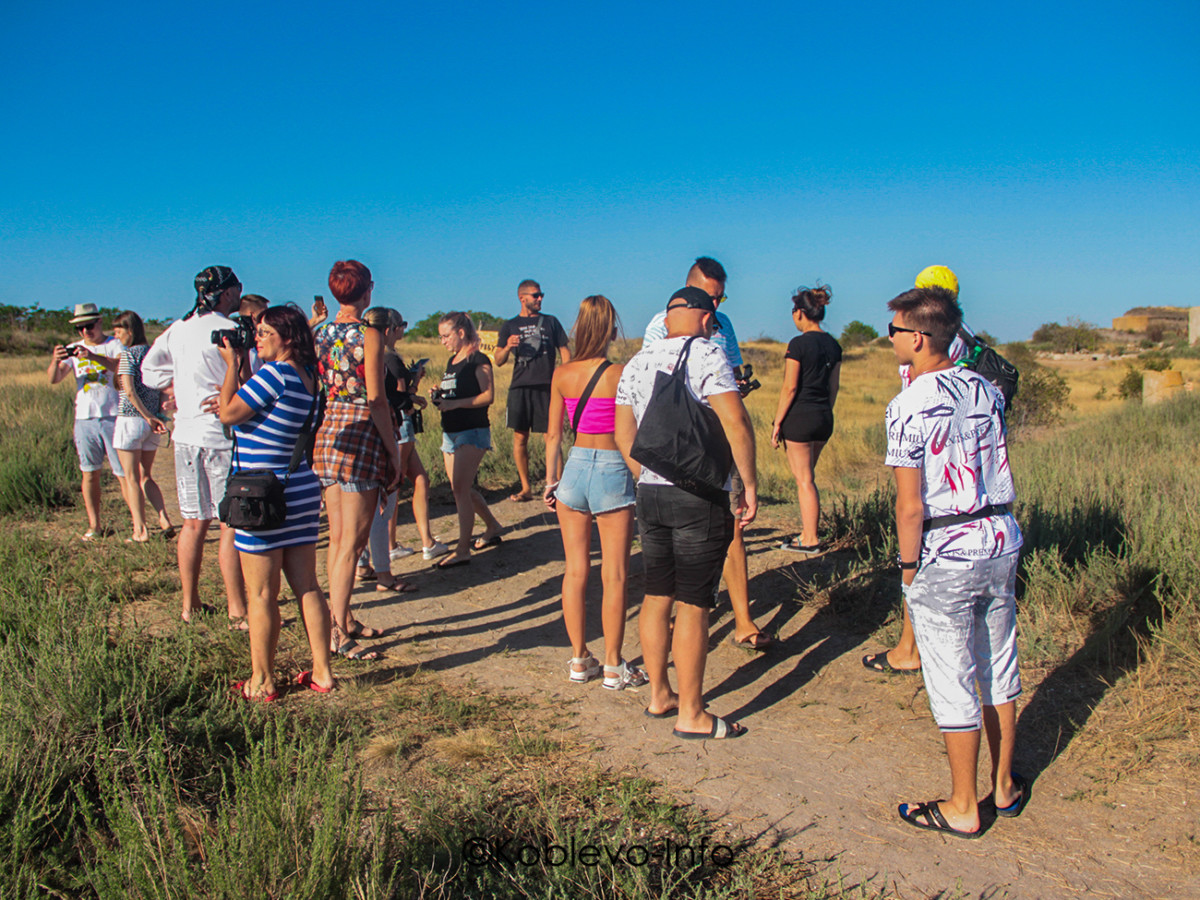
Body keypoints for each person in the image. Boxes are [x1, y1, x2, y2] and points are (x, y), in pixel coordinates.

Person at [884, 286, 1026, 837]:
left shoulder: (908, 404)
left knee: (952, 677)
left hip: (946, 546)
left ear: (917, 339)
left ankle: (964, 805)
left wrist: (907, 566)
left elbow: (909, 502)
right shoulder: (988, 391)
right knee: (998, 664)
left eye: (894, 330)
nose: (890, 339)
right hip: (999, 536)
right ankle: (1005, 786)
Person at [615, 287, 758, 739]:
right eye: (713, 320)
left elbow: (624, 433)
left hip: (651, 494)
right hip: (700, 495)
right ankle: (692, 713)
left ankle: (660, 694)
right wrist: (746, 483)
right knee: (695, 604)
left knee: (657, 594)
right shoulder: (708, 354)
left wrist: (647, 475)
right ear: (703, 316)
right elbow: (735, 421)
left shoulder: (636, 362)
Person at [642, 257, 772, 650]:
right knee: (679, 540)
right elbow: (655, 383)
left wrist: (738, 387)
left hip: (719, 440)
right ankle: (678, 620)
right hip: (678, 447)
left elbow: (729, 373)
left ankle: (744, 622)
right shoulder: (657, 326)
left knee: (733, 527)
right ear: (690, 289)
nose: (717, 308)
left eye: (721, 298)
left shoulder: (724, 325)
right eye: (710, 299)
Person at [218, 304, 334, 699]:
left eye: (266, 333)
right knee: (308, 587)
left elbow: (228, 412)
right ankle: (322, 671)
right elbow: (265, 415)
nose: (259, 339)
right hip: (299, 487)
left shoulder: (275, 373)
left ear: (287, 338)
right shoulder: (307, 377)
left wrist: (232, 365)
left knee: (262, 594)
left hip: (261, 495)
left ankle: (262, 680)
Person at [865, 264, 975, 674]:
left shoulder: (929, 347)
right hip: (964, 466)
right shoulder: (960, 338)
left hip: (929, 455)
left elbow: (918, 399)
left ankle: (911, 647)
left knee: (920, 552)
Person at [543, 296, 646, 690]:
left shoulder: (562, 374)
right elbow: (632, 428)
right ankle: (614, 665)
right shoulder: (621, 372)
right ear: (611, 331)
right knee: (615, 573)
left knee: (575, 570)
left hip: (573, 468)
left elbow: (554, 434)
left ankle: (578, 658)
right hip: (612, 466)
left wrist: (551, 481)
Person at [141, 267, 249, 625]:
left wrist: (178, 387)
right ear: (225, 293)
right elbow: (249, 376)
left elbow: (149, 372)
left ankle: (190, 605)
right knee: (229, 526)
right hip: (221, 435)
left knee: (193, 524)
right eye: (235, 288)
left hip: (186, 435)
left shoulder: (178, 329)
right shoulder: (231, 331)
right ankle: (236, 608)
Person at [313, 260, 402, 660]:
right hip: (362, 430)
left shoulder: (320, 332)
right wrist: (394, 449)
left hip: (328, 429)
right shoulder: (368, 334)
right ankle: (336, 630)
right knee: (353, 540)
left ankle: (343, 617)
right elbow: (376, 397)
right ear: (367, 291)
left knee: (337, 538)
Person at [355, 307, 433, 590]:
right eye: (399, 327)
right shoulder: (386, 358)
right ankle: (384, 570)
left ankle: (363, 564)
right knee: (382, 503)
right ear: (387, 329)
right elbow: (390, 397)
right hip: (389, 430)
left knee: (362, 506)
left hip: (358, 434)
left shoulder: (353, 355)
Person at [771, 285, 842, 554]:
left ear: (801, 313)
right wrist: (825, 411)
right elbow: (833, 388)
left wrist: (778, 422)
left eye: (793, 311)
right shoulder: (834, 345)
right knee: (807, 477)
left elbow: (790, 388)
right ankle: (806, 531)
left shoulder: (798, 344)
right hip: (824, 417)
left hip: (799, 419)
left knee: (804, 480)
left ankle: (810, 538)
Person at [48, 303, 128, 542]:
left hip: (113, 415)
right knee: (89, 473)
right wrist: (55, 360)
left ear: (99, 322)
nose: (85, 332)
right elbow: (54, 378)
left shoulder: (113, 344)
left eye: (89, 326)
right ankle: (95, 525)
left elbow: (121, 368)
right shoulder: (74, 349)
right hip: (84, 418)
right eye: (80, 328)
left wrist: (92, 356)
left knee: (123, 473)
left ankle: (138, 523)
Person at [431, 311, 502, 568]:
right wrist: (440, 396)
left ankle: (462, 549)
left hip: (471, 431)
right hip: (449, 431)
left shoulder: (479, 360)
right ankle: (492, 525)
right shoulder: (453, 361)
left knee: (460, 488)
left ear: (461, 333)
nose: (443, 341)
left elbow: (488, 395)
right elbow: (457, 390)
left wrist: (456, 404)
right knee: (460, 488)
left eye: (446, 336)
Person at [494, 279, 571, 502]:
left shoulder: (551, 322)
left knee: (552, 436)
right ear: (522, 298)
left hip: (548, 388)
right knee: (520, 438)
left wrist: (565, 377)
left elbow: (565, 350)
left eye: (541, 295)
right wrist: (508, 346)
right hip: (519, 387)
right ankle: (526, 488)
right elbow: (498, 360)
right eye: (535, 295)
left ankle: (557, 486)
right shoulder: (509, 325)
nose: (539, 299)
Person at [112, 310, 174, 543]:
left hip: (131, 420)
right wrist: (156, 415)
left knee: (131, 478)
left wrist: (146, 415)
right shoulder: (150, 354)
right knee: (145, 475)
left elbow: (128, 390)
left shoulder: (128, 356)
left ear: (130, 330)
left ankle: (140, 530)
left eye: (119, 329)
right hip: (151, 422)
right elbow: (161, 387)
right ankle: (164, 518)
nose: (116, 334)